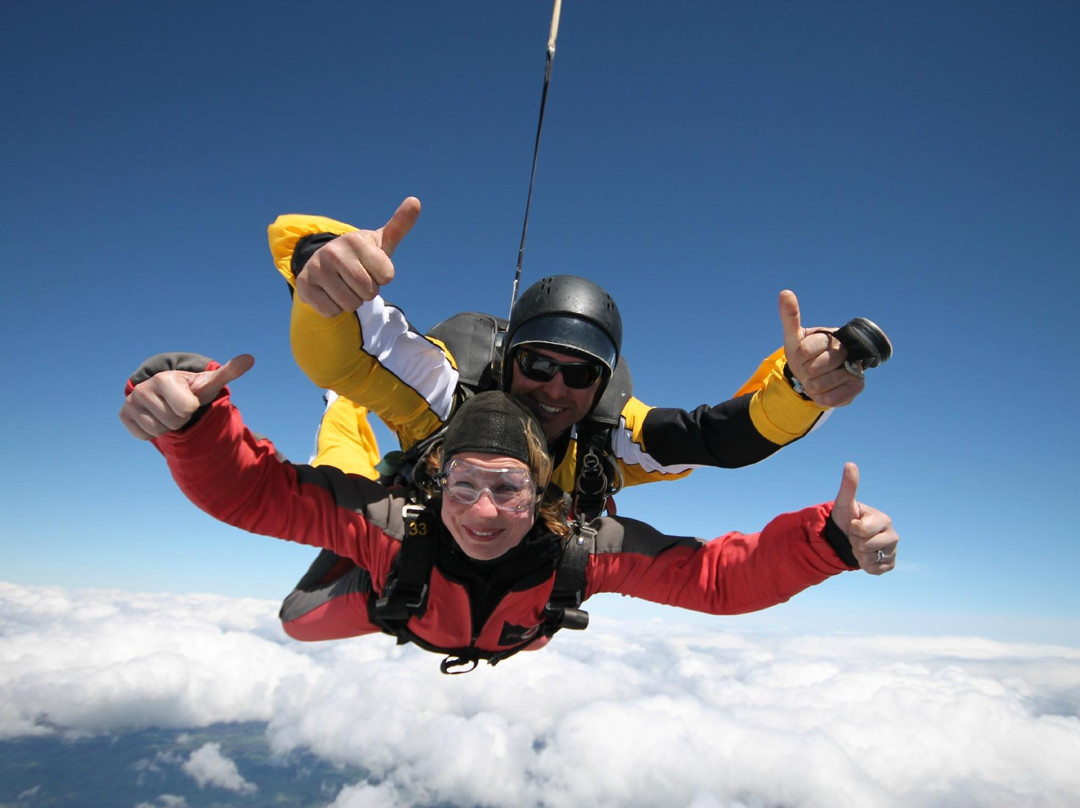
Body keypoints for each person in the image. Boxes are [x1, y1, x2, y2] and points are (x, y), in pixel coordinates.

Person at [120, 352, 899, 674]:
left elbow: (716, 581)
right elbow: (252, 494)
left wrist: (828, 541)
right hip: (393, 602)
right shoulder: (393, 524)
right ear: (437, 483)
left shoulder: (584, 548)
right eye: (463, 486)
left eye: (510, 490)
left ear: (545, 495)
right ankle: (344, 408)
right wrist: (191, 424)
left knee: (332, 529)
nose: (483, 511)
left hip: (490, 629)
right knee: (298, 611)